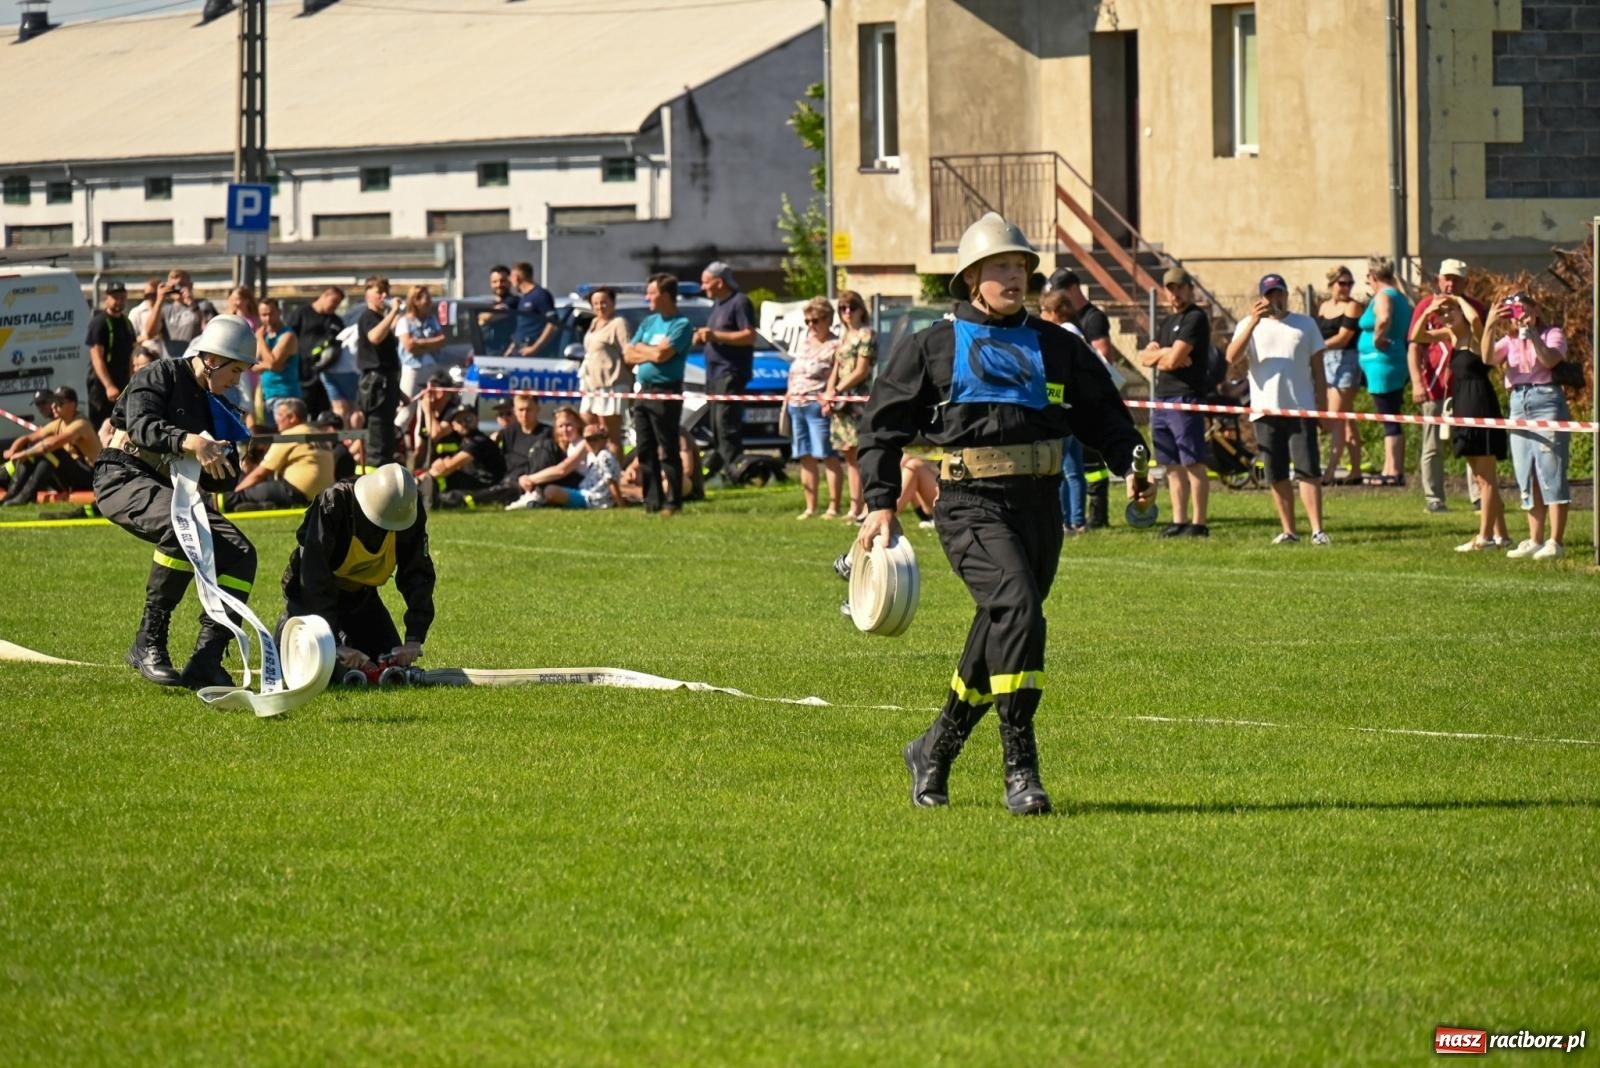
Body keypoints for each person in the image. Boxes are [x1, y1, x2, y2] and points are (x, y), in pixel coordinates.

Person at [858, 212, 1150, 815]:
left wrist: (1131, 463)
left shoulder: (1057, 345)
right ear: (972, 278)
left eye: (1020, 267)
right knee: (1018, 608)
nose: (1015, 277)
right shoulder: (932, 346)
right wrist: (881, 502)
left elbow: (1104, 416)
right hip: (969, 504)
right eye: (1000, 267)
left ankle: (934, 748)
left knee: (1003, 625)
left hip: (1041, 505)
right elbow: (881, 426)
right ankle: (1021, 766)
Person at [93, 314, 260, 688]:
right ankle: (147, 643)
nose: (237, 381)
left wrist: (224, 457)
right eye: (235, 370)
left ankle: (206, 660)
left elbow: (225, 479)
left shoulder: (216, 403)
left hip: (168, 490)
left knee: (240, 553)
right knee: (179, 525)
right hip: (120, 476)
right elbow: (141, 426)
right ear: (211, 359)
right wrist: (192, 442)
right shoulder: (158, 374)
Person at [280, 463, 434, 677]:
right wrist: (332, 641)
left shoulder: (408, 511)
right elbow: (313, 577)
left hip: (361, 600)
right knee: (326, 671)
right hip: (309, 603)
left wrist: (414, 638)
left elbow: (417, 573)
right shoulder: (335, 503)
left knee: (393, 670)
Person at [1227, 274, 1330, 545]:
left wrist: (1323, 409)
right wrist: (1253, 322)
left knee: (1308, 470)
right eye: (1269, 294)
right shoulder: (1248, 325)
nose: (1275, 299)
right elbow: (1232, 357)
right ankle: (1289, 531)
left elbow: (1319, 371)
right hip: (1265, 410)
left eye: (1279, 293)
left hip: (1301, 409)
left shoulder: (1305, 324)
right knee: (1276, 472)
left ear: (1286, 294)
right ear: (1261, 298)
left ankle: (1317, 531)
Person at [1408, 296, 1507, 552]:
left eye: (1451, 311)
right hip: (1462, 403)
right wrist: (1429, 310)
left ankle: (1484, 538)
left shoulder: (1476, 335)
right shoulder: (1450, 336)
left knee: (1486, 477)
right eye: (1443, 314)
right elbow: (1417, 336)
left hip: (1480, 403)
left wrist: (1458, 299)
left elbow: (1474, 319)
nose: (1446, 316)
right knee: (1480, 477)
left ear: (1462, 312)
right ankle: (1502, 536)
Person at [1485, 291, 1571, 560]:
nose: (1517, 316)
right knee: (1527, 471)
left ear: (1535, 311)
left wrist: (1532, 332)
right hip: (1518, 402)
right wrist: (1489, 324)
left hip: (1546, 400)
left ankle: (1555, 541)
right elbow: (1487, 358)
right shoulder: (1509, 340)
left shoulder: (1552, 334)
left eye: (1522, 309)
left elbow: (1549, 360)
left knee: (1551, 469)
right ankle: (1535, 539)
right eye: (1512, 312)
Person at [1408, 259, 1488, 512]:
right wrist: (1417, 383)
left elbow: (1482, 335)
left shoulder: (1474, 308)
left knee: (1471, 442)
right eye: (1447, 279)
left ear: (1465, 282)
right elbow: (1415, 344)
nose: (1451, 284)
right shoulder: (1426, 306)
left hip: (1466, 388)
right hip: (1435, 386)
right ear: (1439, 280)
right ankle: (1434, 498)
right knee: (1433, 446)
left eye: (1456, 279)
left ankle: (1478, 496)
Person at [1140, 265, 1212, 537]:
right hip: (1162, 398)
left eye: (1180, 288)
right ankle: (1179, 521)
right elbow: (1145, 358)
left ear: (1190, 289)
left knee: (1192, 462)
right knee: (1170, 464)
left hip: (1185, 397)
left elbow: (1170, 361)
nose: (1175, 294)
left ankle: (1199, 523)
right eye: (1170, 289)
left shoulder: (1195, 318)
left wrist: (1165, 356)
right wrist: (1167, 354)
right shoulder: (1167, 322)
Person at [624, 273, 693, 515]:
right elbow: (628, 354)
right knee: (644, 448)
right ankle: (652, 500)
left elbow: (663, 356)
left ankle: (673, 501)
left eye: (652, 293)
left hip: (666, 391)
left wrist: (644, 350)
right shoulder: (649, 322)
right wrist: (650, 351)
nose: (648, 298)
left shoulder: (681, 324)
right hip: (643, 391)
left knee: (667, 447)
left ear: (665, 295)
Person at [694, 261, 758, 478]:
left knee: (726, 425)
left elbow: (749, 336)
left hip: (730, 373)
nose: (703, 287)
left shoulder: (739, 302)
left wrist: (715, 336)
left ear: (719, 282)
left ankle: (735, 472)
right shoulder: (718, 305)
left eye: (706, 282)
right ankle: (723, 471)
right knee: (715, 425)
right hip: (714, 374)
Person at [1357, 255, 1414, 486]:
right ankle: (1390, 468)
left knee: (1389, 417)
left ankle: (1393, 471)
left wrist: (1378, 338)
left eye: (1368, 278)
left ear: (1373, 276)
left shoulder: (1383, 295)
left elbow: (1384, 318)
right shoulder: (1400, 296)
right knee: (1390, 415)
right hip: (1392, 360)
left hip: (1383, 363)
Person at [823, 289, 877, 522]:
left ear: (861, 310)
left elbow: (861, 370)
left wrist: (837, 390)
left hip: (857, 399)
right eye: (843, 308)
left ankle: (864, 506)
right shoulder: (843, 336)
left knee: (859, 454)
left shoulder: (867, 335)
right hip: (841, 401)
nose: (847, 312)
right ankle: (854, 506)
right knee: (848, 454)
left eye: (852, 307)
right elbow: (836, 367)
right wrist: (829, 394)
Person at [787, 296, 844, 519]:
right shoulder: (805, 342)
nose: (811, 325)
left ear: (828, 319)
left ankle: (833, 506)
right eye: (807, 321)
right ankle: (810, 507)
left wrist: (829, 398)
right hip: (795, 405)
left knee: (827, 455)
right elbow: (794, 372)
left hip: (817, 406)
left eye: (815, 320)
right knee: (804, 455)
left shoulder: (836, 345)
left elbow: (836, 376)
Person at [225, 398, 334, 512]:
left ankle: (232, 502)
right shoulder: (317, 433)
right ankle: (263, 505)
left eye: (280, 415)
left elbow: (260, 474)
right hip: (321, 495)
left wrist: (237, 491)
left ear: (292, 417)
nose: (276, 420)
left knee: (240, 495)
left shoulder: (289, 435)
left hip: (296, 490)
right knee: (262, 489)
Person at [1, 387, 101, 505]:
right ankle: (12, 494)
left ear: (72, 405)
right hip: (74, 474)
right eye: (53, 402)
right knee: (34, 446)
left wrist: (23, 454)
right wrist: (12, 450)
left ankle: (26, 495)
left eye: (59, 403)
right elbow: (28, 438)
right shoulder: (59, 423)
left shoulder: (81, 424)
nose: (54, 406)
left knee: (53, 451)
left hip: (92, 477)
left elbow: (51, 444)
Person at [1315, 265, 1365, 484]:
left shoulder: (1353, 307)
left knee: (1333, 418)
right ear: (1331, 284)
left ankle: (1329, 472)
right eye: (1342, 283)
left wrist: (1317, 347)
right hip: (1326, 362)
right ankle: (1356, 471)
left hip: (1345, 362)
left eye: (1350, 284)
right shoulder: (1324, 306)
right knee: (1346, 420)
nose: (1346, 288)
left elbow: (1344, 337)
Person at [510, 422, 623, 510]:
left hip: (591, 497)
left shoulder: (604, 456)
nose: (591, 443)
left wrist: (529, 479)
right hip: (585, 491)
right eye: (588, 439)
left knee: (550, 491)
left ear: (604, 439)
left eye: (595, 439)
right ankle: (538, 497)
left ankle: (536, 497)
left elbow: (611, 482)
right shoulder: (592, 453)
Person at [355, 276, 405, 466]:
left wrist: (399, 392)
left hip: (387, 383)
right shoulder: (368, 317)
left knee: (387, 438)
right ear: (367, 295)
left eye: (386, 292)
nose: (384, 296)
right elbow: (374, 337)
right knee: (378, 441)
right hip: (376, 386)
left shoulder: (380, 319)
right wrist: (393, 312)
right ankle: (373, 479)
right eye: (379, 292)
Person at [579, 286, 631, 457]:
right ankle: (597, 465)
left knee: (609, 434)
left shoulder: (618, 323)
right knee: (589, 426)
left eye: (604, 302)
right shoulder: (594, 323)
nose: (600, 307)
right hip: (591, 384)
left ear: (613, 303)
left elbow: (628, 353)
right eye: (595, 303)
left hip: (611, 383)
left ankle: (616, 469)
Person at [423, 405, 507, 509]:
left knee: (441, 492)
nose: (464, 423)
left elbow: (447, 468)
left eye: (468, 419)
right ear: (453, 426)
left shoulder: (477, 441)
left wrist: (425, 476)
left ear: (477, 419)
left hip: (487, 487)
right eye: (459, 421)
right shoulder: (465, 440)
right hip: (475, 482)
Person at [394, 285, 446, 443]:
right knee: (406, 409)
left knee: (426, 411)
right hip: (413, 369)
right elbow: (409, 346)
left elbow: (441, 340)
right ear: (415, 300)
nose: (429, 301)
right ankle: (394, 440)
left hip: (431, 368)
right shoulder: (404, 321)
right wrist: (429, 343)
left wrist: (419, 343)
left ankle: (420, 447)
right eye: (425, 298)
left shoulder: (432, 320)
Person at [286, 286, 346, 420]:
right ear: (324, 296)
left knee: (322, 411)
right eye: (334, 301)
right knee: (302, 408)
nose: (335, 306)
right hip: (302, 371)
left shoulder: (336, 321)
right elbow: (288, 337)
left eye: (338, 304)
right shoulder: (302, 313)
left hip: (325, 374)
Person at [85, 281, 134, 428]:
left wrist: (132, 381)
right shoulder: (99, 323)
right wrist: (109, 386)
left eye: (122, 297)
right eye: (115, 297)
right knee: (102, 426)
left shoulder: (127, 322)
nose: (119, 301)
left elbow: (131, 355)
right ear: (106, 298)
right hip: (102, 388)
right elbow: (96, 358)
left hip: (123, 384)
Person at [253, 297, 300, 430]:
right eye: (264, 315)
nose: (268, 319)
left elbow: (273, 364)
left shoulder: (287, 335)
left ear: (279, 312)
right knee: (272, 436)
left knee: (286, 435)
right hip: (267, 395)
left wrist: (260, 339)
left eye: (271, 314)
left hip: (285, 395)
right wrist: (269, 365)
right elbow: (253, 365)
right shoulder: (266, 336)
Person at [141, 269, 201, 359]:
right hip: (171, 363)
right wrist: (159, 300)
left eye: (181, 285)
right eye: (173, 286)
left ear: (191, 285)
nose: (177, 288)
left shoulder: (203, 306)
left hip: (194, 361)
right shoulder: (165, 310)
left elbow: (209, 330)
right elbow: (150, 334)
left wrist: (192, 304)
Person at [509, 261, 556, 358]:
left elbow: (553, 324)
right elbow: (522, 327)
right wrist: (510, 349)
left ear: (517, 278)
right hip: (519, 350)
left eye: (511, 277)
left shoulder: (540, 295)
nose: (510, 281)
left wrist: (534, 348)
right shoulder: (523, 298)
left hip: (532, 354)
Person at [479, 265, 518, 357]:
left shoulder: (513, 301)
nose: (499, 285)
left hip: (506, 354)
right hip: (487, 353)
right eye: (495, 282)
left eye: (502, 281)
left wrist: (483, 318)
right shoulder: (491, 304)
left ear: (510, 282)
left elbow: (487, 317)